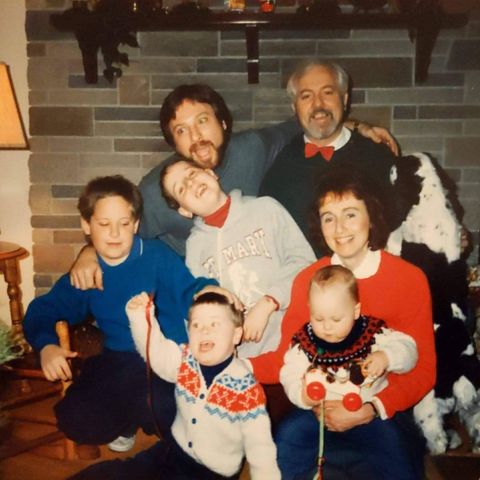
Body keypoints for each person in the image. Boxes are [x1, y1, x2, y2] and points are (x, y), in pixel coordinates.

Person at [70, 81, 397, 290]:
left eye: (202, 121)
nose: (196, 136)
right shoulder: (158, 192)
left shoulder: (253, 147)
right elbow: (119, 232)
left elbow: (303, 124)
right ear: (173, 143)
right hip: (206, 288)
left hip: (263, 276)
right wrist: (88, 252)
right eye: (181, 130)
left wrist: (357, 124)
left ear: (223, 123)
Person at [247, 167, 436, 479]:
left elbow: (423, 368)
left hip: (379, 408)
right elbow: (288, 355)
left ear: (371, 216)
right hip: (319, 410)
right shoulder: (308, 279)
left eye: (350, 214)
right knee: (284, 446)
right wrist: (238, 365)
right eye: (328, 217)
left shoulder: (409, 279)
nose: (339, 228)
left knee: (397, 461)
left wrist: (372, 407)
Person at [23, 175, 223, 453]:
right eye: (104, 225)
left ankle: (147, 415)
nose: (115, 234)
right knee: (74, 418)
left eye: (124, 224)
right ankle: (130, 416)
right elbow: (41, 311)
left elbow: (188, 289)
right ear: (86, 225)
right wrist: (46, 346)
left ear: (136, 225)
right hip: (119, 358)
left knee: (172, 418)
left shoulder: (155, 255)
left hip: (166, 355)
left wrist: (209, 291)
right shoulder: (86, 272)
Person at [70, 291, 281, 480]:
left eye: (214, 324)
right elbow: (157, 353)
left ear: (236, 335)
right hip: (172, 451)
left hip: (212, 472)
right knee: (117, 472)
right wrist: (140, 318)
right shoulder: (185, 359)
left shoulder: (246, 389)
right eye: (196, 325)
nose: (204, 331)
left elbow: (259, 446)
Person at [160, 157, 316, 358]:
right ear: (184, 210)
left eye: (192, 173)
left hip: (298, 341)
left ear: (210, 173)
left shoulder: (266, 208)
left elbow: (304, 262)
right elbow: (199, 310)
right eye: (180, 189)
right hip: (244, 360)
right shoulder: (195, 247)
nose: (190, 183)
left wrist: (269, 302)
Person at [280, 264, 419, 479]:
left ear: (355, 311)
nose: (327, 327)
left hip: (368, 415)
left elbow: (409, 349)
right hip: (319, 415)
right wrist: (303, 395)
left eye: (336, 319)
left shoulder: (374, 333)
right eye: (318, 318)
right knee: (289, 434)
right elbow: (288, 372)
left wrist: (387, 357)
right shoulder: (304, 342)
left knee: (393, 442)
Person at [260, 59, 400, 255]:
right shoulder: (280, 167)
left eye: (327, 93)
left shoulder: (377, 157)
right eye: (306, 96)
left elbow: (401, 226)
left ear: (344, 99)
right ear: (294, 107)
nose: (318, 104)